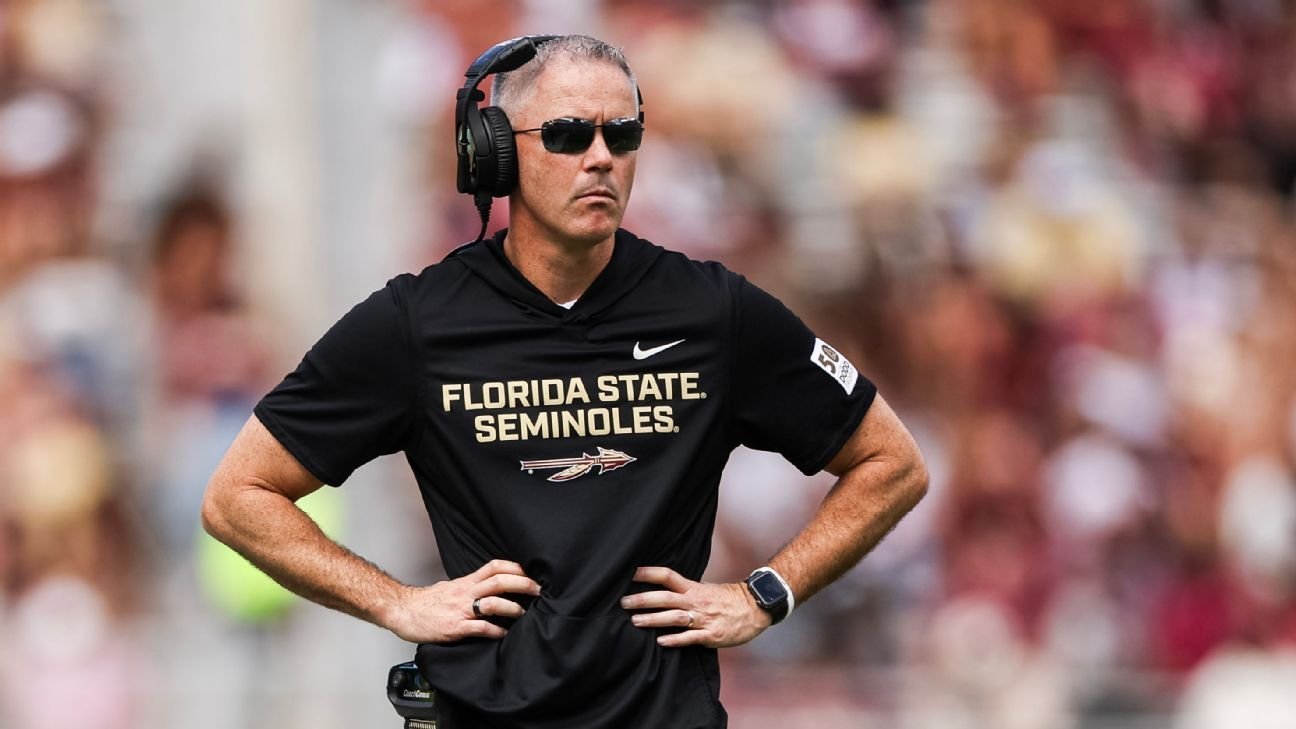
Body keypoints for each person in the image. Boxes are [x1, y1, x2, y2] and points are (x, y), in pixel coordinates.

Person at [201, 34, 928, 729]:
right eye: (568, 134)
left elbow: (891, 463)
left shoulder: (714, 312)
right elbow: (238, 497)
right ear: (492, 153)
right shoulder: (417, 322)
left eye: (624, 135)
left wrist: (767, 593)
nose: (601, 158)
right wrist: (396, 603)